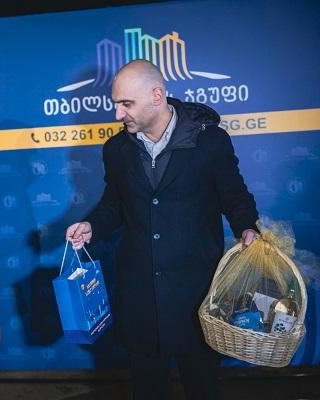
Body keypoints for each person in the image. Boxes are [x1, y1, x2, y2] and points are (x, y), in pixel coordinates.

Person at [65, 60, 259, 400]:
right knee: (147, 389)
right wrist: (92, 225)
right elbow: (115, 204)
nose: (117, 114)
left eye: (126, 104)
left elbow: (235, 196)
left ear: (157, 96)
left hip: (197, 296)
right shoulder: (116, 149)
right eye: (115, 104)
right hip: (139, 296)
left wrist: (247, 228)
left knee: (203, 388)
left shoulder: (210, 141)